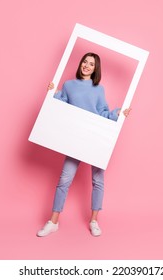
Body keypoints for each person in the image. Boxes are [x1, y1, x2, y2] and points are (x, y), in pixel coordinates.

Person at [37, 52, 131, 237]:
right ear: (81, 64)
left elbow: (102, 113)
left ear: (96, 69)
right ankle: (53, 222)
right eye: (85, 62)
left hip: (94, 138)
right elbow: (62, 105)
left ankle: (94, 221)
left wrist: (118, 113)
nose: (87, 66)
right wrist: (53, 93)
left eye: (91, 64)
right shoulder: (69, 85)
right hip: (75, 139)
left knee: (98, 180)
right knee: (65, 179)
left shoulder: (99, 89)